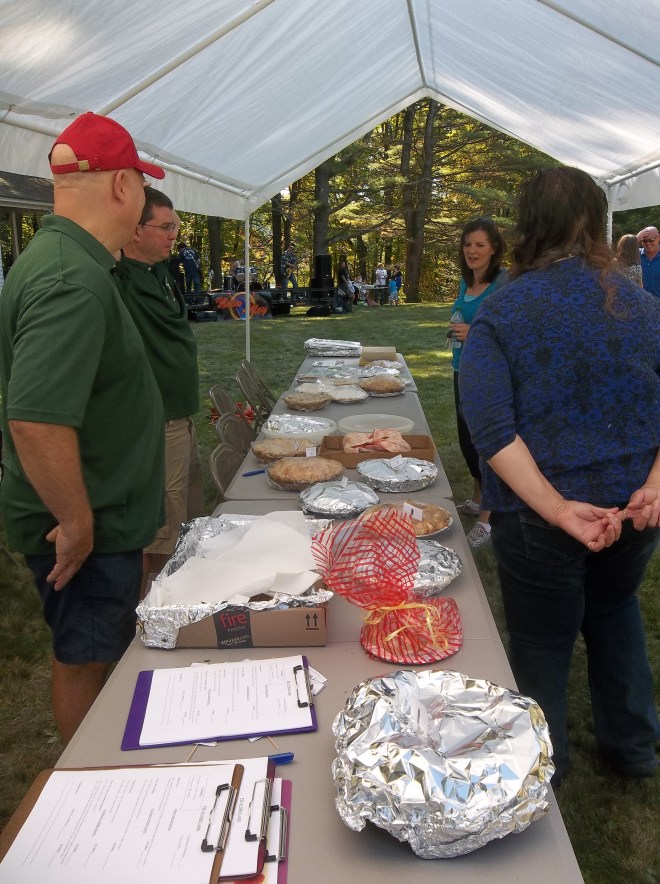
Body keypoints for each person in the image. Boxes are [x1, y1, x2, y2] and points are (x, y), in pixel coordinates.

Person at [459, 167, 660, 784]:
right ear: (594, 223)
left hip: (541, 518)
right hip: (633, 507)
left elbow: (492, 431)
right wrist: (653, 485)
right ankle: (633, 748)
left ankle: (545, 772)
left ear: (528, 226)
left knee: (544, 644)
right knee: (614, 609)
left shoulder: (503, 312)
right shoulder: (643, 303)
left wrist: (555, 509)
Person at [0, 112, 166, 744]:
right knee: (88, 658)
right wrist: (75, 521)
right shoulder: (71, 277)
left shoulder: (69, 259)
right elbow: (36, 418)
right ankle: (88, 788)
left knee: (92, 649)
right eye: (143, 188)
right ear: (124, 186)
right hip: (82, 526)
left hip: (93, 513)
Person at [115, 188, 204, 593]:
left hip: (181, 413)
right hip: (157, 419)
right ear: (135, 230)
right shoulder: (119, 279)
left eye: (176, 226)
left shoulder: (161, 273)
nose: (174, 235)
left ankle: (191, 580)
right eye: (165, 227)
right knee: (165, 519)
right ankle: (156, 601)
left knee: (190, 502)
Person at [450, 217, 506, 549]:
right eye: (468, 244)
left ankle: (487, 521)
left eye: (480, 244)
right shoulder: (465, 282)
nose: (472, 250)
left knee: (485, 444)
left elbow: (511, 332)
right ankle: (476, 498)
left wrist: (474, 334)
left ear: (494, 249)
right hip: (462, 369)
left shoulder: (503, 283)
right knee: (467, 441)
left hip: (488, 374)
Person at [636, 226, 660, 297]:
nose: (648, 243)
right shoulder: (636, 254)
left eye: (651, 240)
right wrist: (635, 240)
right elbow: (617, 261)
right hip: (640, 304)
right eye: (644, 241)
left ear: (658, 237)